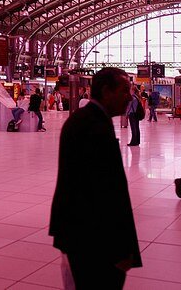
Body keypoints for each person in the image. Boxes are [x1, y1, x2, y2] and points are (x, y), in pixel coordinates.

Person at [49, 67, 141, 288]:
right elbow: (107, 193)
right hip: (93, 238)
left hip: (78, 231)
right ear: (107, 91)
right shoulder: (94, 127)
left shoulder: (87, 119)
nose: (130, 96)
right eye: (125, 90)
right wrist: (122, 248)